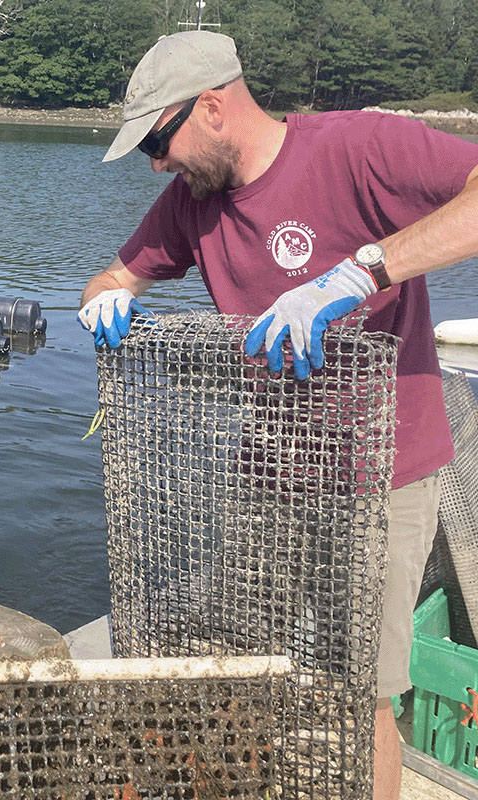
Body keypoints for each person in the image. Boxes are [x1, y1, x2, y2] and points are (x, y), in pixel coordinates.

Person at [78, 30, 478, 800]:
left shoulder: (359, 147)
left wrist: (361, 271)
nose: (157, 165)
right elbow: (111, 275)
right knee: (236, 664)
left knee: (360, 695)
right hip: (269, 471)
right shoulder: (190, 203)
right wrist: (107, 301)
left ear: (215, 107)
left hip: (381, 476)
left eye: (157, 143)